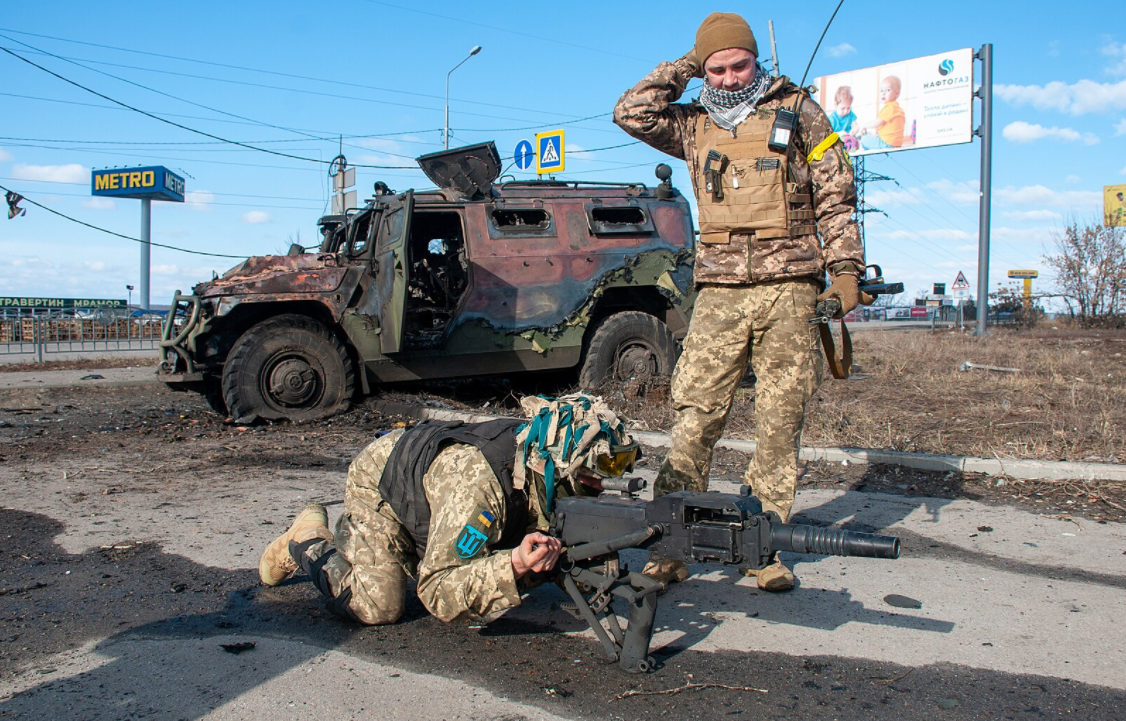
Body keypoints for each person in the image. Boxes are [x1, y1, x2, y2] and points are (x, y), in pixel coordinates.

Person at [613, 12, 865, 591]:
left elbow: (836, 196)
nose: (727, 77)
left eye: (738, 64)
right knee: (696, 414)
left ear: (757, 61)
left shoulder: (798, 111)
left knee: (780, 419)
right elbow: (630, 111)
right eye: (716, 68)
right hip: (721, 291)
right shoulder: (692, 123)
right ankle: (670, 542)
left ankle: (766, 546)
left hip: (790, 289)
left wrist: (847, 270)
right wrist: (684, 67)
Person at [258, 393, 640, 624]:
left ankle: (400, 548)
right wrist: (515, 565)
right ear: (559, 464)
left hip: (432, 486)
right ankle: (308, 539)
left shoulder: (539, 463)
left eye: (622, 463)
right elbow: (438, 590)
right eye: (603, 467)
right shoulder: (479, 488)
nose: (611, 477)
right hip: (384, 485)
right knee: (377, 606)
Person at [859, 76, 905, 150]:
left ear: (897, 93)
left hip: (887, 143)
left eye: (888, 90)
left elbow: (877, 122)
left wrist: (864, 125)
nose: (883, 93)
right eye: (881, 91)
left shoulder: (889, 108)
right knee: (871, 136)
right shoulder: (897, 108)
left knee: (864, 140)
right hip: (897, 143)